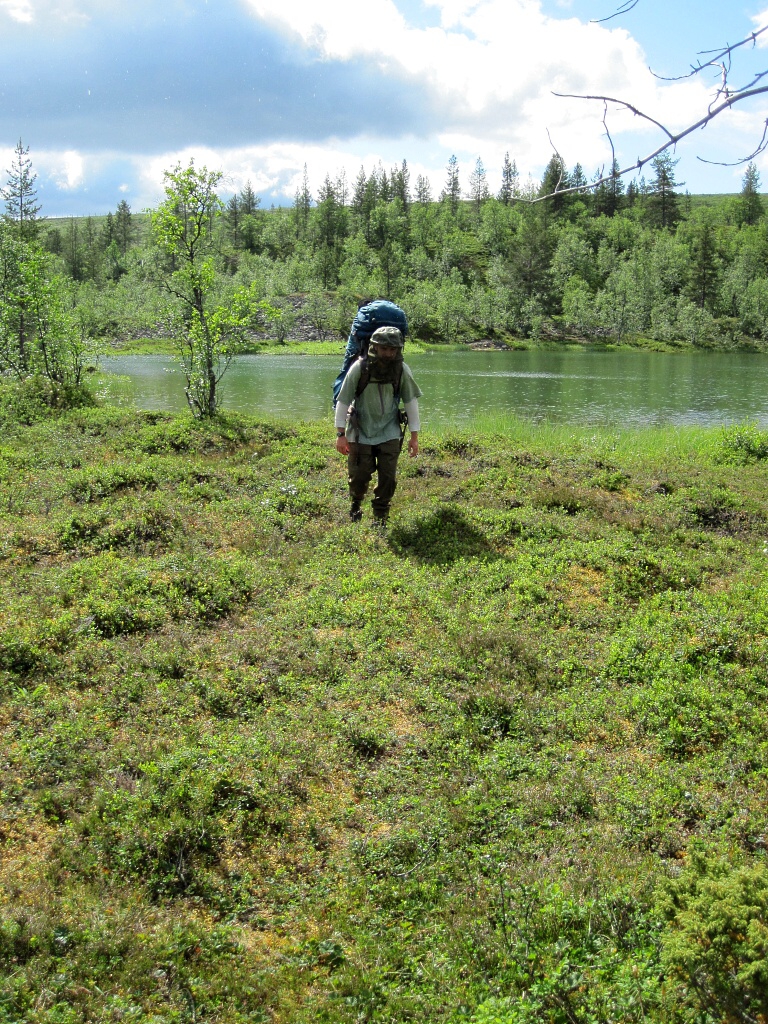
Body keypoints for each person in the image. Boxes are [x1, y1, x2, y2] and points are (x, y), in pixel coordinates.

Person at [335, 325, 422, 525]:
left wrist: (414, 437)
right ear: (374, 347)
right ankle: (356, 504)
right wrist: (341, 434)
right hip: (360, 432)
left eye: (393, 350)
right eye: (384, 349)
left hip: (390, 431)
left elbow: (411, 403)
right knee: (359, 476)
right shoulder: (359, 367)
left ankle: (380, 515)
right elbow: (343, 400)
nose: (389, 354)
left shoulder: (402, 370)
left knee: (388, 478)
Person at [332, 299, 408, 408]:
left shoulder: (363, 317)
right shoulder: (392, 315)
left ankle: (338, 403)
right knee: (395, 366)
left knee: (346, 369)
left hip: (363, 343)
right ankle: (395, 401)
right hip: (394, 337)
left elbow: (356, 338)